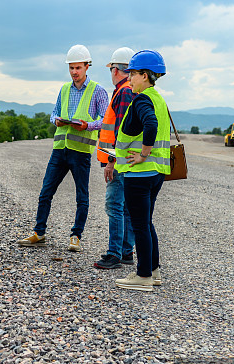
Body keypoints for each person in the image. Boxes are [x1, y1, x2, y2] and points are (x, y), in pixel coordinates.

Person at [17, 44, 109, 252]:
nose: (74, 72)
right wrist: (56, 121)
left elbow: (105, 120)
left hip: (81, 152)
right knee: (45, 192)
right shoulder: (64, 89)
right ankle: (39, 232)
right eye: (71, 68)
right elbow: (54, 112)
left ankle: (76, 236)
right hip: (60, 150)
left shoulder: (98, 91)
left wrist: (88, 125)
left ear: (87, 66)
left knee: (81, 196)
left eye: (78, 68)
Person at [103, 50, 170, 291]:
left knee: (140, 225)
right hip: (156, 172)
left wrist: (143, 154)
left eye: (132, 73)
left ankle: (143, 277)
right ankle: (153, 271)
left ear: (145, 75)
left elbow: (150, 125)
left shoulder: (142, 99)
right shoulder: (157, 98)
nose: (129, 78)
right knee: (146, 223)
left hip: (139, 173)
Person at [94, 47, 136, 270]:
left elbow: (121, 130)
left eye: (111, 68)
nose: (110, 72)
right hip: (126, 159)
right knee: (126, 206)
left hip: (118, 160)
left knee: (115, 205)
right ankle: (127, 251)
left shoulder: (124, 92)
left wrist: (111, 161)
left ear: (117, 69)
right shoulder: (129, 90)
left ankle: (114, 253)